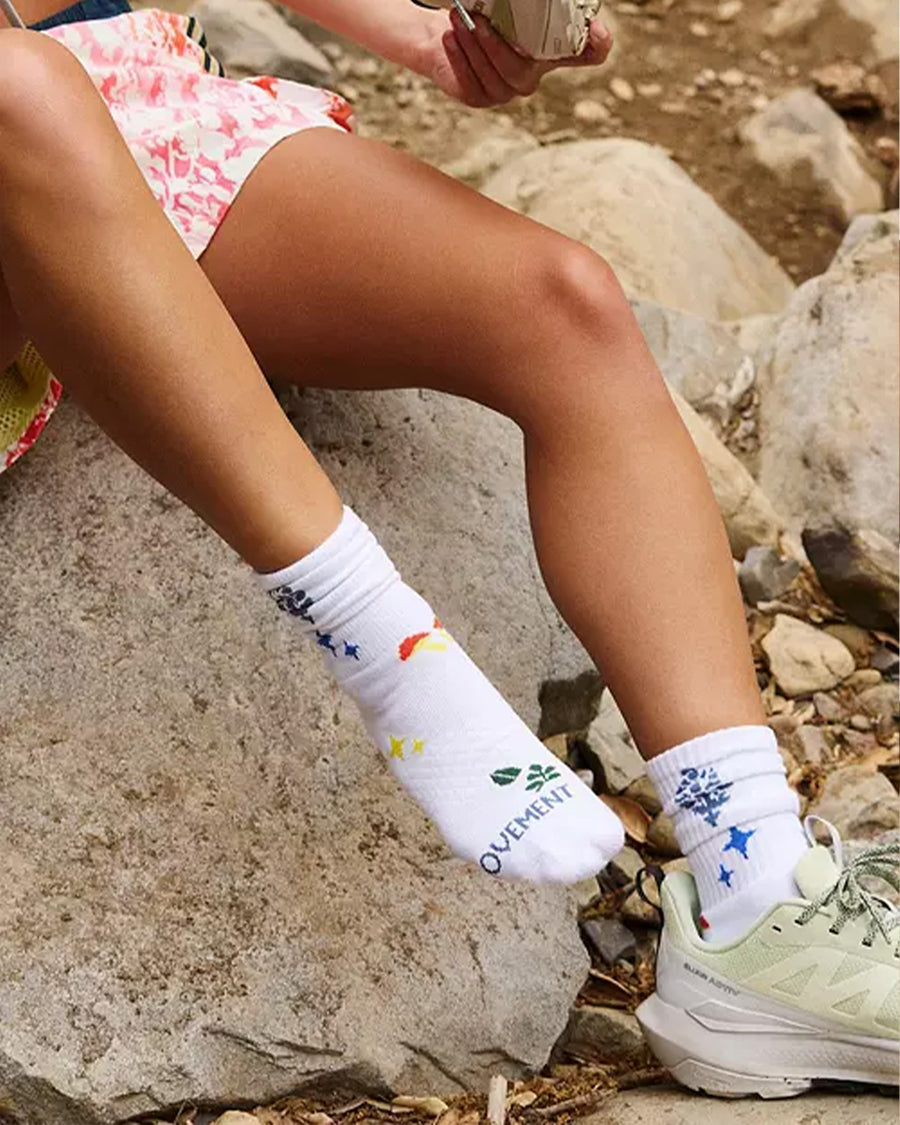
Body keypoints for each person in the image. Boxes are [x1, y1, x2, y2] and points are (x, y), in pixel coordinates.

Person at [1, 0, 896, 1098]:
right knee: (19, 94)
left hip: (111, 88)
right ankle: (387, 651)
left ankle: (757, 892)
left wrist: (420, 32)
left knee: (559, 304)